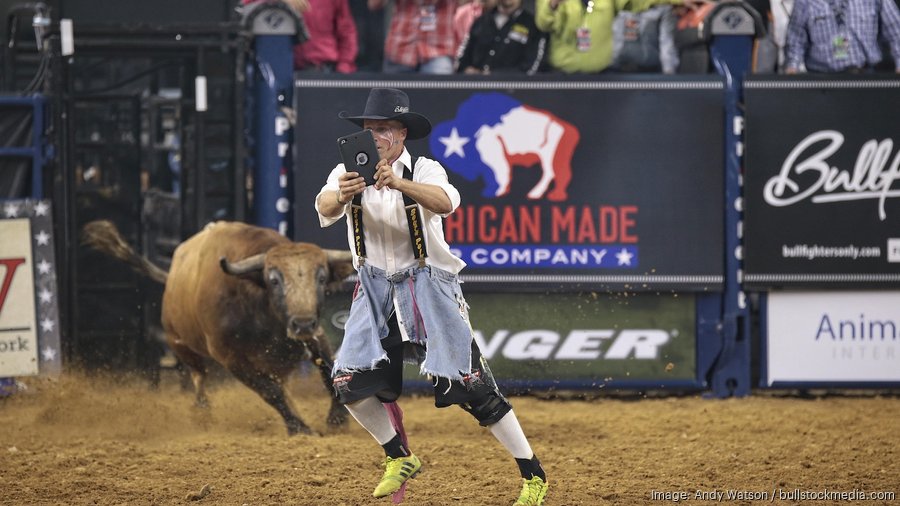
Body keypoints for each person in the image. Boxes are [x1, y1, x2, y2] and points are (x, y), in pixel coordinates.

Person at [315, 88, 549, 506]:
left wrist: (400, 183)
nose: (374, 137)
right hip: (374, 289)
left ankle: (533, 473)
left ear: (401, 133)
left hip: (428, 285)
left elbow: (446, 203)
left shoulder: (425, 168)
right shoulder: (345, 172)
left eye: (383, 129)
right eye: (369, 129)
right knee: (347, 381)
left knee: (473, 385)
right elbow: (324, 205)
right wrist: (343, 193)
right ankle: (397, 455)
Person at [535, 0, 699, 73]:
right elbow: (543, 23)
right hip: (564, 77)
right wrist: (553, 3)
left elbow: (640, 1)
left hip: (606, 74)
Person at [784, 0, 900, 73]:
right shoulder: (805, 2)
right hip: (822, 81)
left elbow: (895, 29)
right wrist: (792, 67)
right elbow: (796, 37)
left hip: (865, 75)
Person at [244, 0, 359, 73]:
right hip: (274, 71)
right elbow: (243, 8)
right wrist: (280, 2)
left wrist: (344, 67)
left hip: (322, 70)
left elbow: (346, 31)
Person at [456, 0, 548, 74]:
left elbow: (533, 66)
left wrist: (496, 75)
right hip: (475, 87)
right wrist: (466, 69)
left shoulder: (532, 24)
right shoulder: (481, 21)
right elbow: (462, 55)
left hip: (515, 90)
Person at [371, 0, 458, 73]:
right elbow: (373, 4)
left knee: (440, 92)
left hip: (438, 50)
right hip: (399, 49)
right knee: (393, 93)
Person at [611, 5, 679, 73]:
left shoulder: (663, 8)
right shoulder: (611, 4)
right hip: (612, 68)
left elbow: (667, 42)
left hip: (648, 70)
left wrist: (669, 72)